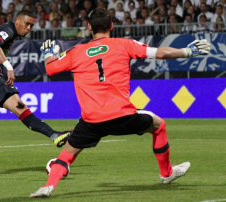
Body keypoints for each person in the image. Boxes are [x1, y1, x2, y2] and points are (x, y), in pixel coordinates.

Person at [30, 8, 211, 198]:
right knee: (159, 126)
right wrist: (188, 51)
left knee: (66, 155)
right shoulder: (124, 44)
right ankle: (166, 173)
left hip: (92, 120)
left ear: (89, 27)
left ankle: (49, 186)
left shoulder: (76, 52)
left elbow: (50, 69)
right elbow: (161, 53)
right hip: (122, 115)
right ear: (111, 26)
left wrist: (49, 53)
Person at [0, 10, 72, 179]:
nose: (29, 28)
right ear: (17, 20)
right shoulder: (7, 30)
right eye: (27, 24)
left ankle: (54, 135)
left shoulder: (11, 34)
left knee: (21, 107)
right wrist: (9, 67)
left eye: (32, 25)